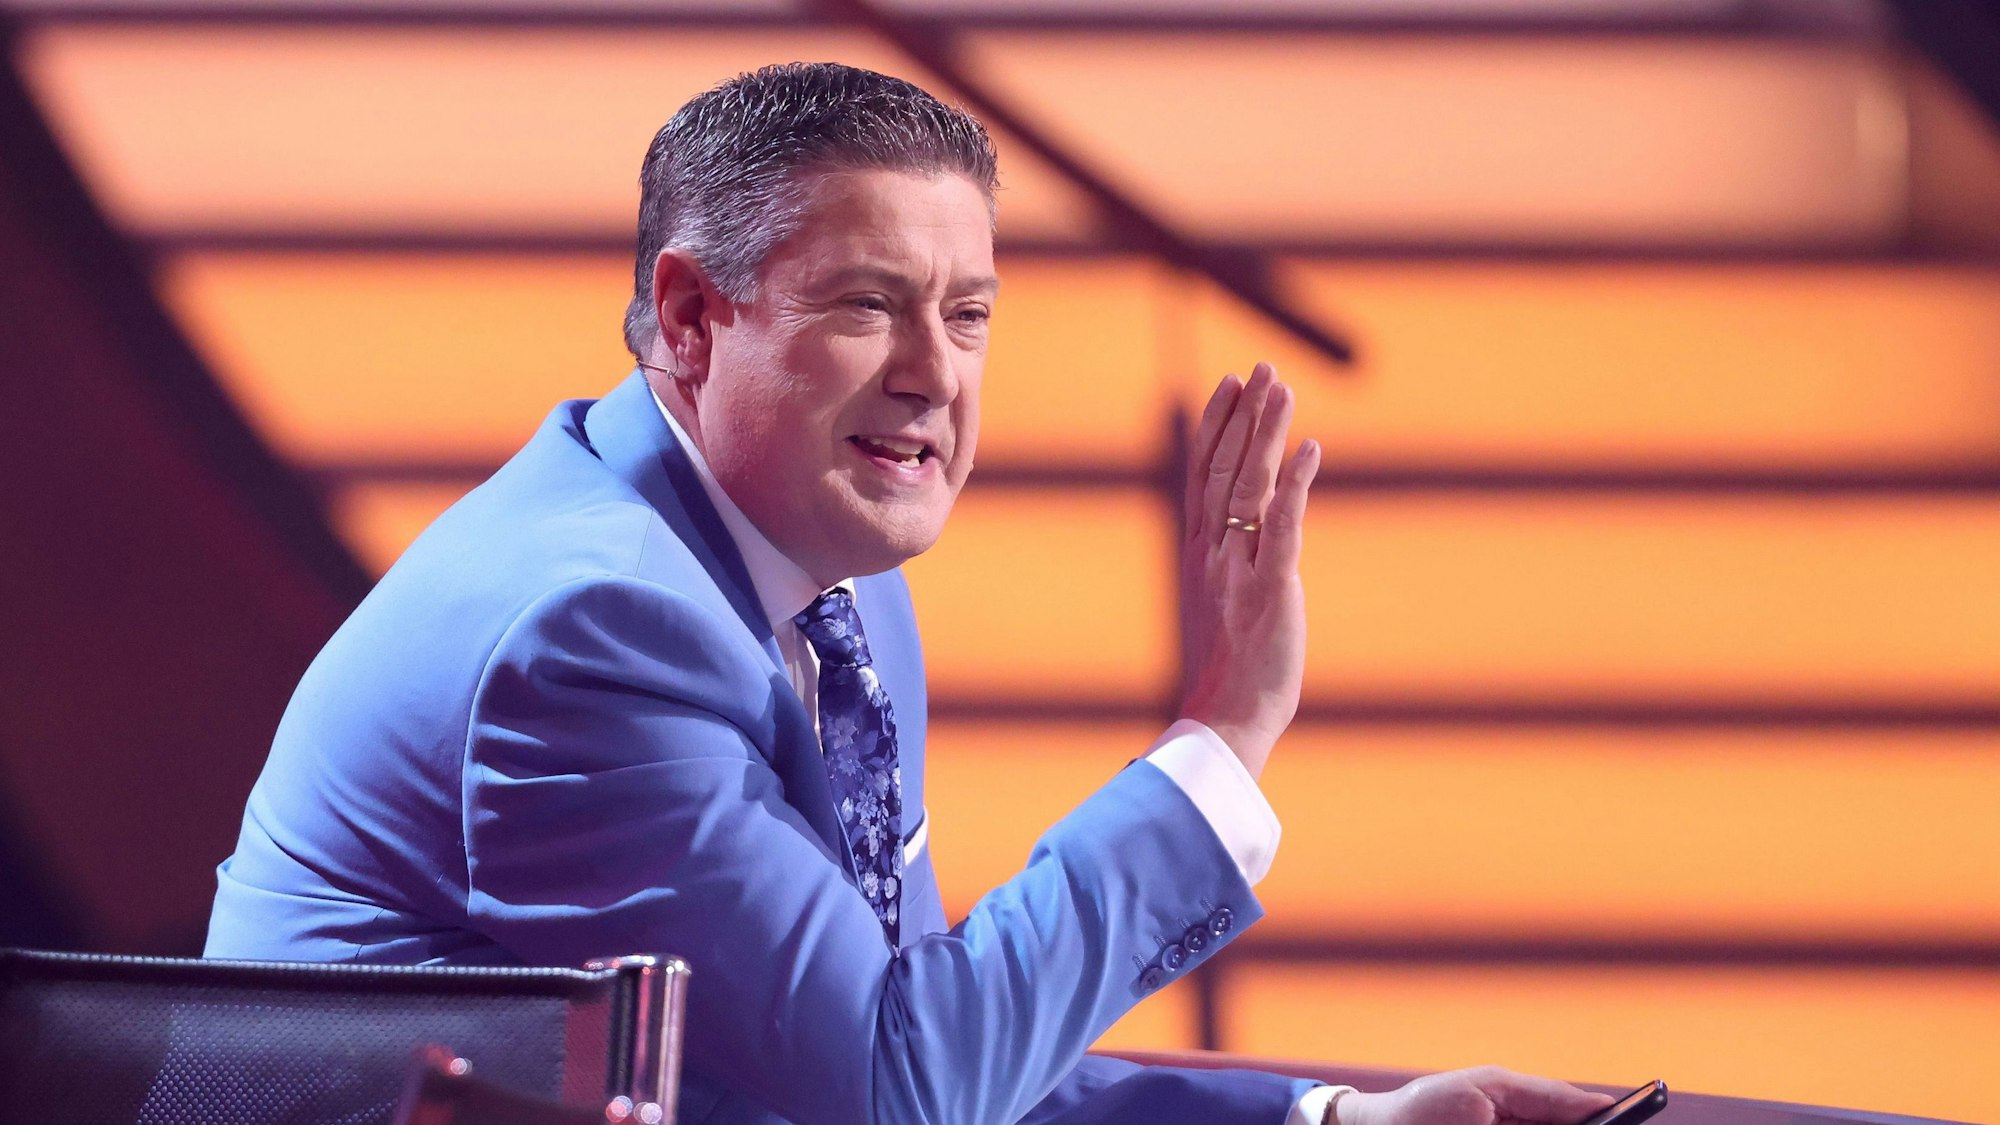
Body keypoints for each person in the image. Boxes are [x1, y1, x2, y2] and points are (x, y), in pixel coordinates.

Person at [207, 62, 1613, 1125]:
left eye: (970, 313)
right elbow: (898, 1089)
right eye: (868, 305)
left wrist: (1333, 1121)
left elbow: (935, 1044)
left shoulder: (834, 590)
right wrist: (1225, 732)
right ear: (691, 318)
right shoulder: (591, 634)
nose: (936, 373)